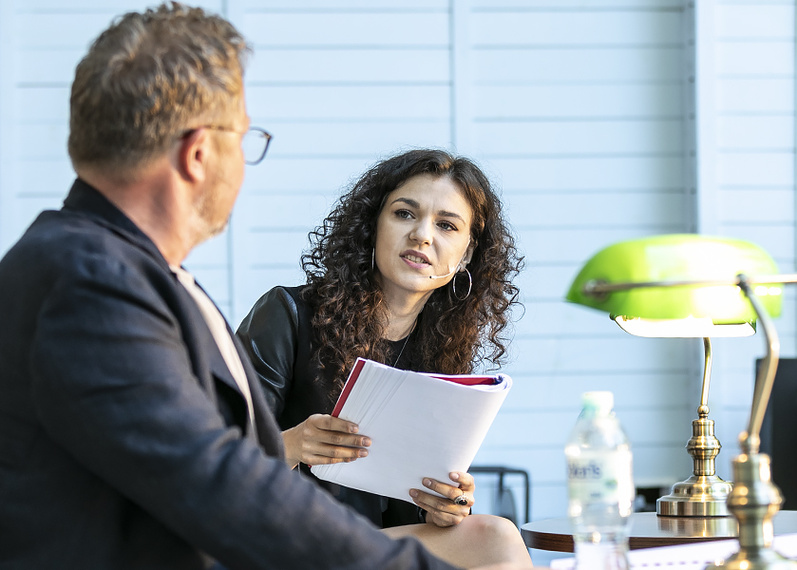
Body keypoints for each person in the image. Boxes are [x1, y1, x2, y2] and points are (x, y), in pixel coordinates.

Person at [0, 4, 540, 569]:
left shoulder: (109, 269)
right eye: (245, 138)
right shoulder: (96, 285)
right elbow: (219, 485)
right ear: (200, 154)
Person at [236, 149, 531, 568]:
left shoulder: (441, 352)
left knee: (492, 536)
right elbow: (215, 455)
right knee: (497, 539)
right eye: (405, 214)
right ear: (373, 225)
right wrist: (293, 443)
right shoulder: (288, 314)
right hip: (281, 539)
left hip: (366, 547)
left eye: (446, 225)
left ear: (466, 254)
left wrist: (442, 507)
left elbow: (405, 504)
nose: (423, 236)